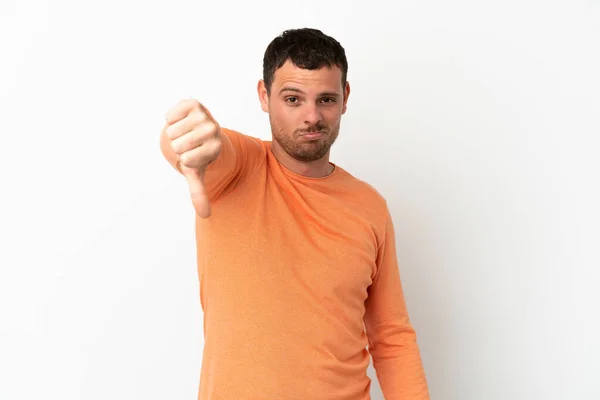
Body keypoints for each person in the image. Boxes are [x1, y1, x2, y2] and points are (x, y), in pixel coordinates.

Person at [160, 27, 429, 400]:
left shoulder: (370, 206)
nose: (312, 116)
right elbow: (206, 148)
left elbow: (391, 336)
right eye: (293, 98)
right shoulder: (237, 169)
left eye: (326, 100)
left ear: (345, 98)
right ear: (264, 96)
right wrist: (187, 139)